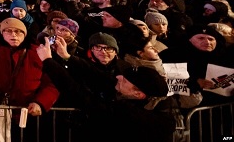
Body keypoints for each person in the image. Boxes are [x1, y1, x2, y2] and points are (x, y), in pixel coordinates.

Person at [38, 39, 175, 142]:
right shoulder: (151, 102)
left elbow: (78, 94)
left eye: (125, 80)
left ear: (138, 94)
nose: (119, 77)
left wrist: (48, 61)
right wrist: (67, 57)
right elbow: (98, 76)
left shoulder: (132, 116)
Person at [0, 18, 59, 115]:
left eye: (18, 31)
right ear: (2, 33)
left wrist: (40, 102)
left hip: (27, 111)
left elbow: (53, 81)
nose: (14, 34)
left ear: (25, 34)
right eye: (8, 31)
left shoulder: (38, 52)